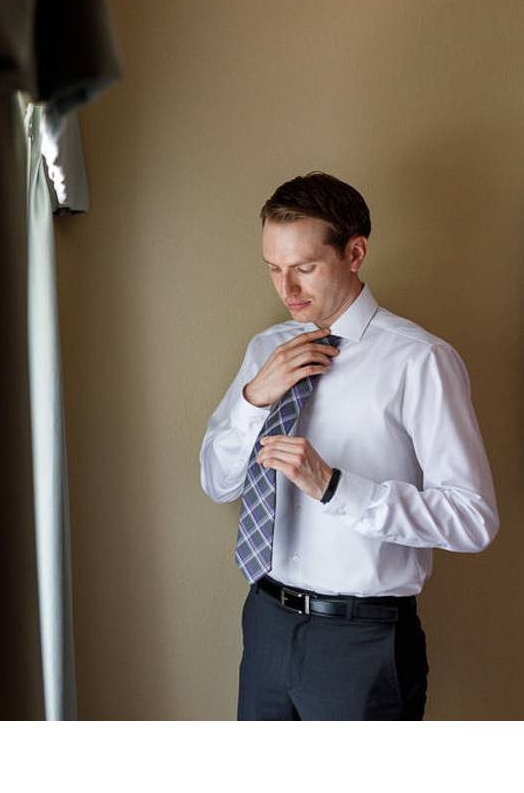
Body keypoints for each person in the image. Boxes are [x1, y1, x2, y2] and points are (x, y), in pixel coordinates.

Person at [199, 171, 498, 720]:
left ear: (355, 253)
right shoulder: (267, 349)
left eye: (304, 268)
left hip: (361, 641)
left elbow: (473, 520)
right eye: (273, 269)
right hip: (265, 620)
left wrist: (334, 487)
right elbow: (218, 484)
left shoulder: (420, 361)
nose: (287, 290)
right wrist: (254, 398)